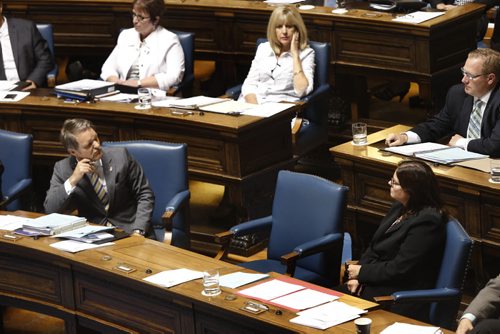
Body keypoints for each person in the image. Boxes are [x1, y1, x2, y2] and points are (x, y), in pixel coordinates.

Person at [339, 160, 447, 322]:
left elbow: (401, 269)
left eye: (395, 183)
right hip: (376, 281)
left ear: (411, 190)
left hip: (398, 294)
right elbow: (374, 247)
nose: (389, 184)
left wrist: (362, 273)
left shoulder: (428, 221)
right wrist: (356, 276)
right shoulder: (400, 207)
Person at [44, 119, 154, 236]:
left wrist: (138, 231)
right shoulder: (62, 169)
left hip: (130, 230)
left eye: (96, 139)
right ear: (73, 152)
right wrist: (73, 180)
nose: (97, 145)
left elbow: (145, 194)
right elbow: (50, 209)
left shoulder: (121, 156)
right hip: (92, 234)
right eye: (89, 145)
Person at [386, 48, 500, 157]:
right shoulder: (457, 94)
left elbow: (495, 146)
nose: (464, 80)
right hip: (463, 159)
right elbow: (437, 125)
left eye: (470, 76)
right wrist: (405, 137)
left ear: (490, 78)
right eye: (464, 73)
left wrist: (462, 142)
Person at [100, 0, 184, 91]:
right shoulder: (126, 35)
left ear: (155, 20)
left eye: (141, 17)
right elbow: (108, 67)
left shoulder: (169, 40)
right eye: (134, 14)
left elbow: (174, 76)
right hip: (121, 92)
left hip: (151, 94)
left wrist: (139, 83)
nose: (135, 20)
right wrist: (116, 82)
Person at [239, 5, 315, 104]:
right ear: (273, 29)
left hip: (281, 108)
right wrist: (255, 108)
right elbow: (249, 84)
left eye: (289, 26)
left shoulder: (307, 53)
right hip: (254, 103)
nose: (284, 32)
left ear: (297, 30)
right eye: (279, 26)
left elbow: (302, 91)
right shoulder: (263, 48)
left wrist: (295, 55)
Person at [0, 0, 54, 90]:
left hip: (27, 88)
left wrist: (33, 80)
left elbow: (45, 59)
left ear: (0, 7)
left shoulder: (26, 28)